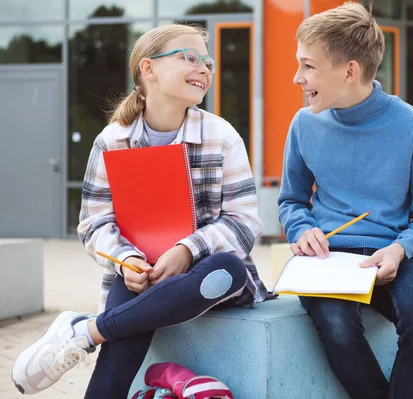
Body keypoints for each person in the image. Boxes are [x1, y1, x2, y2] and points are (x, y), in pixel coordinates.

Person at [12, 23, 267, 398]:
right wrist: (127, 260)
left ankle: (88, 332)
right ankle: (103, 332)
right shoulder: (111, 141)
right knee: (133, 288)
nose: (205, 69)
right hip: (140, 278)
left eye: (208, 63)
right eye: (190, 58)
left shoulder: (222, 136)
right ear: (149, 69)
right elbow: (94, 223)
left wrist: (186, 251)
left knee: (229, 267)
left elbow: (244, 223)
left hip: (208, 280)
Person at [277, 2, 413, 398]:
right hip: (325, 259)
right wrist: (302, 230)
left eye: (308, 66)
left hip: (392, 255)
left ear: (350, 71)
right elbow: (291, 201)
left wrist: (400, 249)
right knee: (337, 326)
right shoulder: (304, 124)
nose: (297, 78)